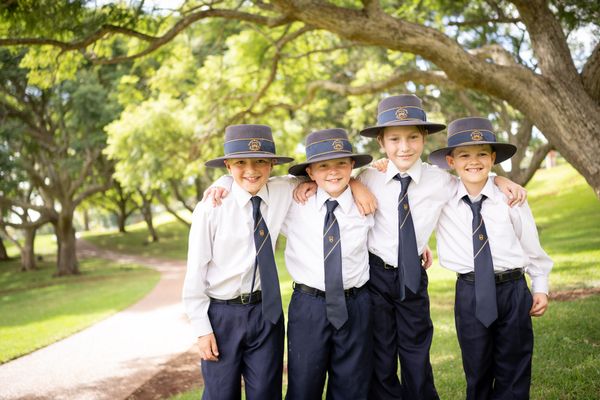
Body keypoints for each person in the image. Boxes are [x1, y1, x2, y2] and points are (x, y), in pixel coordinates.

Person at [355, 94, 527, 400]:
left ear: (424, 138)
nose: (404, 147)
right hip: (374, 276)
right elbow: (336, 180)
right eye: (394, 139)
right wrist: (354, 184)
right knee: (380, 354)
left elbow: (473, 177)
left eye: (412, 137)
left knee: (416, 349)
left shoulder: (441, 181)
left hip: (413, 277)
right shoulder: (370, 177)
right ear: (381, 142)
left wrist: (501, 179)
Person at [429, 116, 552, 400]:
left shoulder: (511, 198)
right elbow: (409, 177)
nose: (474, 161)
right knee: (477, 367)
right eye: (465, 155)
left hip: (512, 290)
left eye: (482, 153)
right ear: (451, 161)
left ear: (493, 158)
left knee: (515, 365)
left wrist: (540, 286)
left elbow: (531, 245)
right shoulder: (441, 195)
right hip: (470, 291)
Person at [182, 124, 295, 400]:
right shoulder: (211, 209)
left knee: (267, 393)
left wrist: (357, 183)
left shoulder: (282, 191)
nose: (251, 170)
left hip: (266, 312)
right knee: (221, 394)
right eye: (241, 162)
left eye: (260, 161)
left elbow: (324, 174)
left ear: (271, 164)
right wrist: (201, 329)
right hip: (222, 316)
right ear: (228, 166)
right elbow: (195, 273)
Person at [283, 128, 375, 400]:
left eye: (341, 164)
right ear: (310, 172)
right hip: (309, 306)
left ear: (352, 167)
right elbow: (251, 179)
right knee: (303, 386)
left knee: (352, 387)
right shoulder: (294, 201)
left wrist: (357, 185)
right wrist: (221, 185)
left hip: (356, 304)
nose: (333, 172)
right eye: (323, 166)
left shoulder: (367, 202)